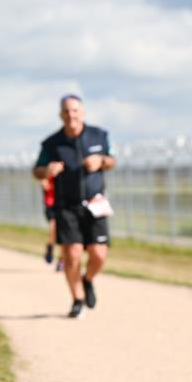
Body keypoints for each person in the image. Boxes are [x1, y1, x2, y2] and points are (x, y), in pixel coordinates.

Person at [33, 94, 116, 318]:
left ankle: (87, 280)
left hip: (95, 203)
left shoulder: (99, 136)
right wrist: (47, 170)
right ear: (61, 115)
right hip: (66, 206)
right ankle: (77, 299)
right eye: (67, 111)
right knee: (72, 254)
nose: (71, 115)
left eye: (75, 110)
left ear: (82, 112)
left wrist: (101, 161)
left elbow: (112, 160)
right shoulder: (51, 143)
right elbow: (36, 170)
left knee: (99, 254)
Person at [40, 175, 62, 270]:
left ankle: (62, 260)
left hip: (63, 205)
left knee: (64, 234)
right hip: (51, 205)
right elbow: (45, 185)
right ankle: (50, 247)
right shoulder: (47, 170)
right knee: (53, 228)